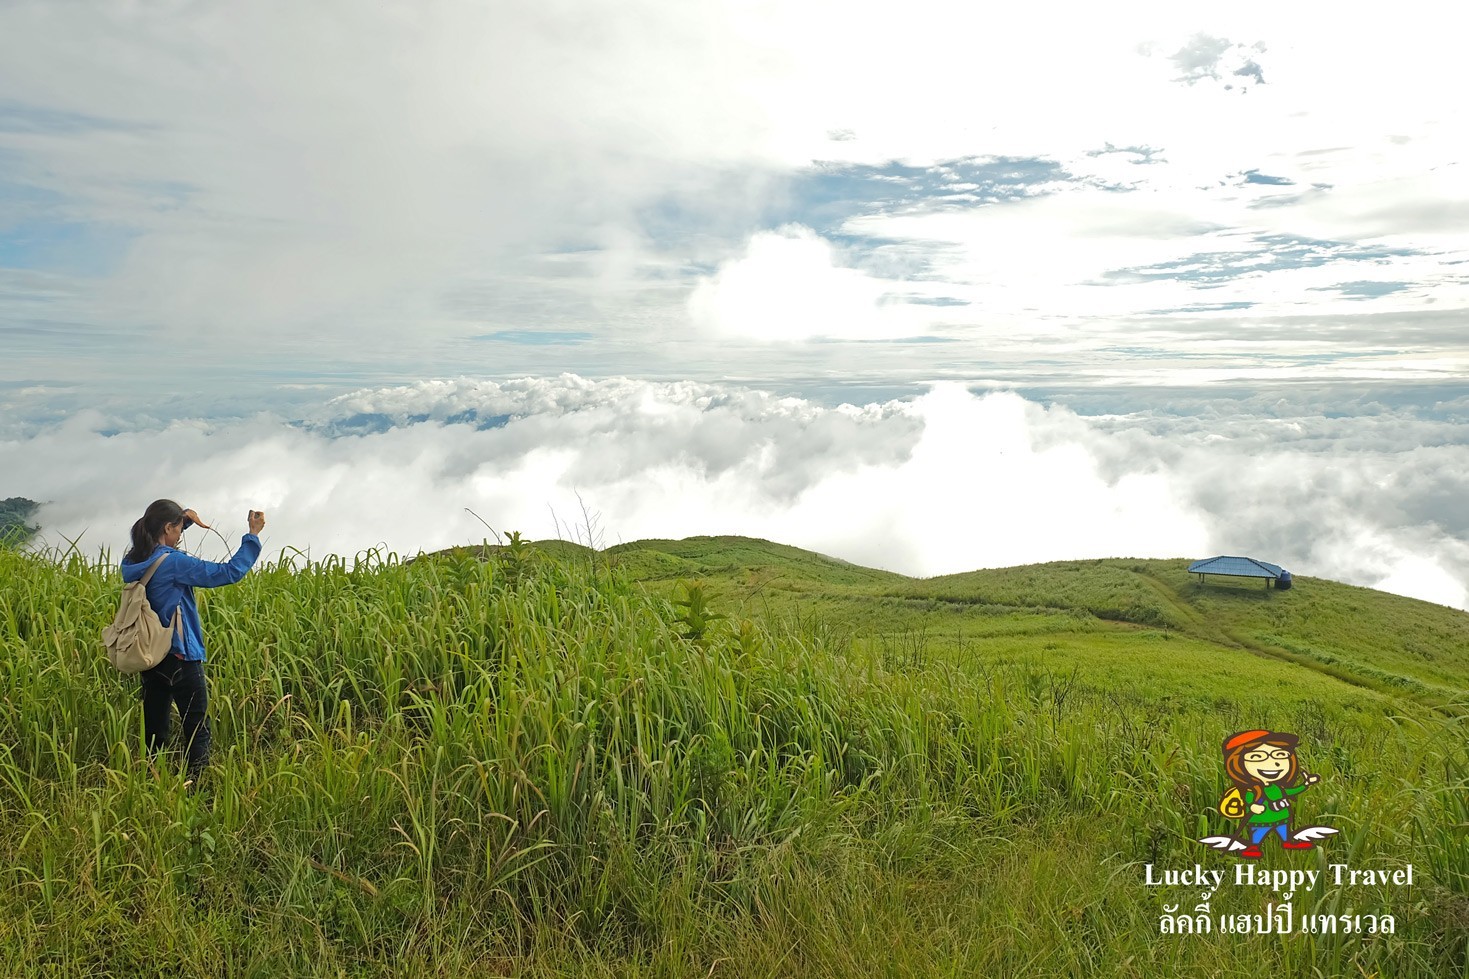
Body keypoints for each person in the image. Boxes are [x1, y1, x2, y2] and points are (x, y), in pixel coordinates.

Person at [119, 499, 266, 783]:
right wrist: (253, 536)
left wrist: (183, 519)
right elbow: (227, 573)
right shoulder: (174, 563)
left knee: (155, 728)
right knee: (197, 728)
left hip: (151, 655)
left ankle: (153, 786)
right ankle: (196, 792)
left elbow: (162, 539)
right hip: (181, 656)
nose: (181, 535)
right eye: (179, 530)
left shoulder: (134, 561)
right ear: (167, 527)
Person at [1220, 729, 1321, 858]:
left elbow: (1291, 791)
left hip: (1280, 817)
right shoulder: (1250, 790)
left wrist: (1306, 784)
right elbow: (1249, 800)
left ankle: (1287, 842)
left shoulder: (1276, 787)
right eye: (1257, 757)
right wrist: (1253, 806)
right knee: (1258, 833)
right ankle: (1253, 847)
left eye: (1279, 755)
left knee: (1284, 831)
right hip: (1261, 820)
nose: (1272, 763)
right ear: (1237, 763)